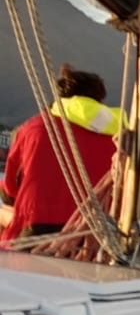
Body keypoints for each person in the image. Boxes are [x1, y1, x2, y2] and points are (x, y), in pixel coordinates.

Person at [0, 66, 123, 247]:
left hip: (35, 232)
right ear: (98, 100)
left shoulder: (34, 129)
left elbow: (10, 192)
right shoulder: (119, 135)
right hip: (95, 237)